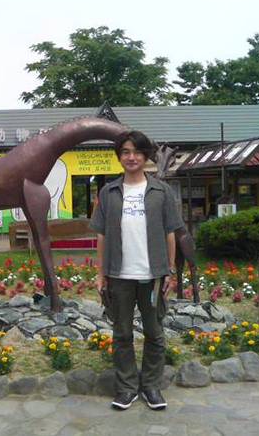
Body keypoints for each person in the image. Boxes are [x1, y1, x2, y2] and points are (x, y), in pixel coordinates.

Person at [89, 130, 184, 411]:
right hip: (119, 276)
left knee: (154, 333)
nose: (131, 157)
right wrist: (100, 273)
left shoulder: (161, 192)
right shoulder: (109, 192)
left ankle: (151, 386)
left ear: (146, 156)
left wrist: (169, 271)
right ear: (119, 156)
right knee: (122, 334)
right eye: (126, 152)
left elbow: (170, 233)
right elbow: (101, 236)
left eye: (137, 152)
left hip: (152, 276)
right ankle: (127, 388)